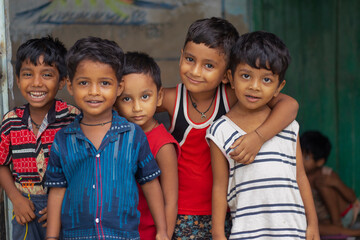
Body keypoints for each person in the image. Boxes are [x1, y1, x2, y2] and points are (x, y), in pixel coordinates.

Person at [157, 17, 300, 239]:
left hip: (228, 212)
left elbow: (290, 105)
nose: (195, 71)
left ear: (227, 75)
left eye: (209, 65)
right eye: (189, 59)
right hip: (182, 212)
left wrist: (258, 138)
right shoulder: (171, 98)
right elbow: (131, 99)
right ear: (181, 54)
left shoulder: (233, 95)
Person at [45, 37, 169, 240]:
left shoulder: (132, 135)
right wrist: (51, 237)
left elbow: (150, 183)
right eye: (84, 83)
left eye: (104, 83)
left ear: (119, 87)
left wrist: (162, 231)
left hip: (124, 236)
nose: (94, 92)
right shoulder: (62, 140)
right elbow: (57, 192)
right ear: (70, 85)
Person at [206, 31, 320, 239]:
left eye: (266, 79)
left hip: (292, 231)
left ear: (279, 87)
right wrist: (217, 234)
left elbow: (300, 177)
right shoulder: (220, 131)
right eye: (246, 75)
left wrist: (312, 224)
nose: (254, 86)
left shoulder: (288, 126)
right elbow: (219, 187)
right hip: (247, 232)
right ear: (231, 78)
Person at [0, 36, 79, 240]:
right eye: (28, 74)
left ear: (62, 81)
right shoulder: (10, 121)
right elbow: (1, 163)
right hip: (25, 208)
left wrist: (67, 202)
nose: (36, 83)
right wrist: (15, 199)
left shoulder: (72, 118)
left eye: (47, 74)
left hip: (65, 206)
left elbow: (83, 167)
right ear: (17, 80)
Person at [114, 51, 181, 239]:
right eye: (127, 99)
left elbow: (170, 201)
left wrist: (164, 234)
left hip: (149, 233)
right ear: (115, 102)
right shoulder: (116, 135)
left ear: (159, 97)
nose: (137, 107)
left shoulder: (162, 144)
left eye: (145, 97)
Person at [301, 130, 360, 237]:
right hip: (325, 220)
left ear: (320, 162)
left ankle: (338, 227)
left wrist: (336, 183)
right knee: (312, 227)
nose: (301, 159)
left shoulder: (327, 173)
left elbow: (352, 198)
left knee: (322, 183)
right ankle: (353, 233)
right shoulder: (298, 176)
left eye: (307, 157)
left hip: (344, 215)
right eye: (300, 153)